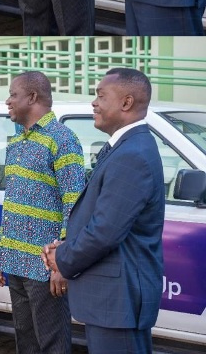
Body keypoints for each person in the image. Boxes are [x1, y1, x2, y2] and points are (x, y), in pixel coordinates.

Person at [42, 68, 165, 354]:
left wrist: (62, 257)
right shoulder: (125, 147)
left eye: (100, 95)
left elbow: (106, 231)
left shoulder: (132, 154)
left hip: (118, 301)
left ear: (126, 103)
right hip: (112, 301)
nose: (94, 103)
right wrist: (67, 245)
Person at [0, 72, 85, 354]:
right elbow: (14, 202)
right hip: (15, 261)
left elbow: (75, 204)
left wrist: (62, 263)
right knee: (26, 342)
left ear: (32, 97)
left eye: (13, 94)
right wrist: (1, 251)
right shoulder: (17, 141)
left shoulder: (63, 139)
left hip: (45, 268)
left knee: (52, 344)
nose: (8, 101)